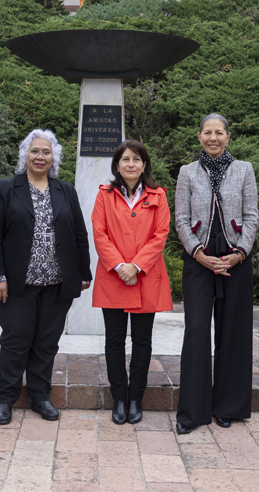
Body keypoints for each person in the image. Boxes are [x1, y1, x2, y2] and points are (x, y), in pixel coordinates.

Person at [0, 129, 91, 425]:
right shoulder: (7, 188)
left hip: (57, 283)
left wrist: (83, 273)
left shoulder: (65, 190)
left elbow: (79, 234)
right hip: (18, 283)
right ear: (25, 155)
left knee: (46, 342)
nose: (40, 157)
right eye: (34, 151)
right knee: (15, 341)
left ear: (53, 157)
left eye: (46, 152)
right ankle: (5, 397)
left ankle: (40, 396)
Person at [174, 113, 258, 434]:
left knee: (233, 331)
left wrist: (239, 253)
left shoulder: (244, 169)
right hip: (199, 260)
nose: (213, 138)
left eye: (219, 132)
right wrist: (198, 253)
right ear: (199, 137)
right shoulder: (187, 172)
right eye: (207, 132)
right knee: (196, 330)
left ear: (228, 136)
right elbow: (181, 219)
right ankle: (193, 412)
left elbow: (251, 216)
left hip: (236, 260)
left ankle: (228, 406)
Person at [91, 140, 173, 425]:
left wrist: (136, 266)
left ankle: (136, 398)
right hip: (114, 277)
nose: (130, 164)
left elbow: (161, 234)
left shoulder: (158, 195)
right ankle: (119, 398)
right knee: (114, 341)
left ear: (144, 164)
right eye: (125, 159)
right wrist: (120, 266)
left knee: (142, 341)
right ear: (117, 165)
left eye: (136, 159)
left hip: (145, 276)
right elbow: (99, 233)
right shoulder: (104, 195)